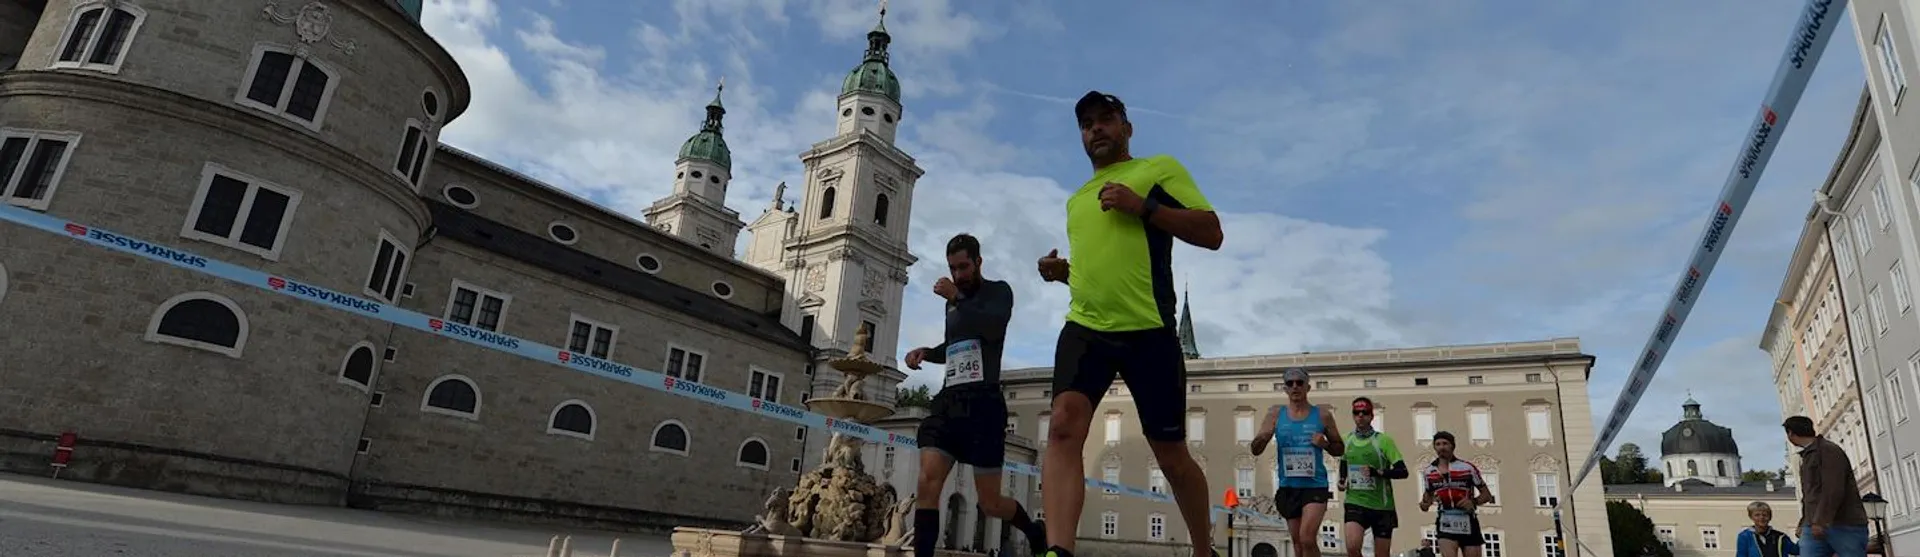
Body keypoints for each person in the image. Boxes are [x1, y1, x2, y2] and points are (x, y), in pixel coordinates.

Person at [1033, 90, 1226, 557]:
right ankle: (1059, 550)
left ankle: (1204, 549)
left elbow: (1212, 232)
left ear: (1126, 128)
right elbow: (1102, 267)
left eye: (1105, 119)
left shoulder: (1158, 169)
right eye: (1086, 124)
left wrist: (1145, 207)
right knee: (1062, 426)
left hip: (1148, 330)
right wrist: (1065, 273)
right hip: (1085, 327)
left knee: (1171, 455)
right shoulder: (1077, 200)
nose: (1095, 128)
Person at [904, 233, 1046, 557]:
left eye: (964, 267)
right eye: (953, 269)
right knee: (928, 481)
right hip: (948, 402)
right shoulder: (954, 305)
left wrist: (956, 298)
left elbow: (990, 328)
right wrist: (927, 352)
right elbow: (957, 345)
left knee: (990, 503)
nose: (958, 275)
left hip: (983, 406)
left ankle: (1034, 530)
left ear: (979, 262)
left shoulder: (999, 292)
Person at [1252, 368, 1346, 557]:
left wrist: (1325, 444)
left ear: (1308, 387)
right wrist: (1263, 437)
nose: (1295, 386)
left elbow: (1340, 449)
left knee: (1307, 538)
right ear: (1285, 389)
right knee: (1297, 544)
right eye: (1290, 383)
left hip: (1315, 485)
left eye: (1299, 383)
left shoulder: (1322, 415)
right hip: (1288, 487)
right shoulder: (1275, 414)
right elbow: (1255, 449)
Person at [1782, 415, 1869, 557]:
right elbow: (1809, 496)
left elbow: (1833, 489)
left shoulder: (1828, 451)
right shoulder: (1808, 456)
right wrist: (1804, 522)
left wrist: (1820, 521)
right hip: (1814, 524)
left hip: (1843, 523)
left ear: (1791, 433)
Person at [1338, 396, 1408, 557]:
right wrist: (1342, 480)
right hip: (1355, 501)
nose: (1360, 416)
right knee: (1352, 547)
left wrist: (1378, 472)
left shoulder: (1383, 441)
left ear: (1371, 416)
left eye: (1365, 412)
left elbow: (1402, 471)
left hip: (1382, 506)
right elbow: (1344, 461)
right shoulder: (1347, 440)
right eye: (1356, 413)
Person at [1419, 432, 1494, 557]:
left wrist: (1473, 502)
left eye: (1445, 444)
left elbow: (1487, 495)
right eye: (1438, 444)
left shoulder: (1467, 468)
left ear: (1452, 446)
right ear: (1434, 447)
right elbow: (1427, 496)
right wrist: (1424, 504)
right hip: (1445, 521)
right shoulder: (1429, 471)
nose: (1441, 447)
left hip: (1468, 519)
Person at [1736, 501, 1800, 557]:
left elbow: (1797, 550)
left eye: (1764, 515)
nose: (1761, 518)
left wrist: (1803, 535)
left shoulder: (1780, 537)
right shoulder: (1745, 536)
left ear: (1770, 517)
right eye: (1757, 515)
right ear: (1751, 517)